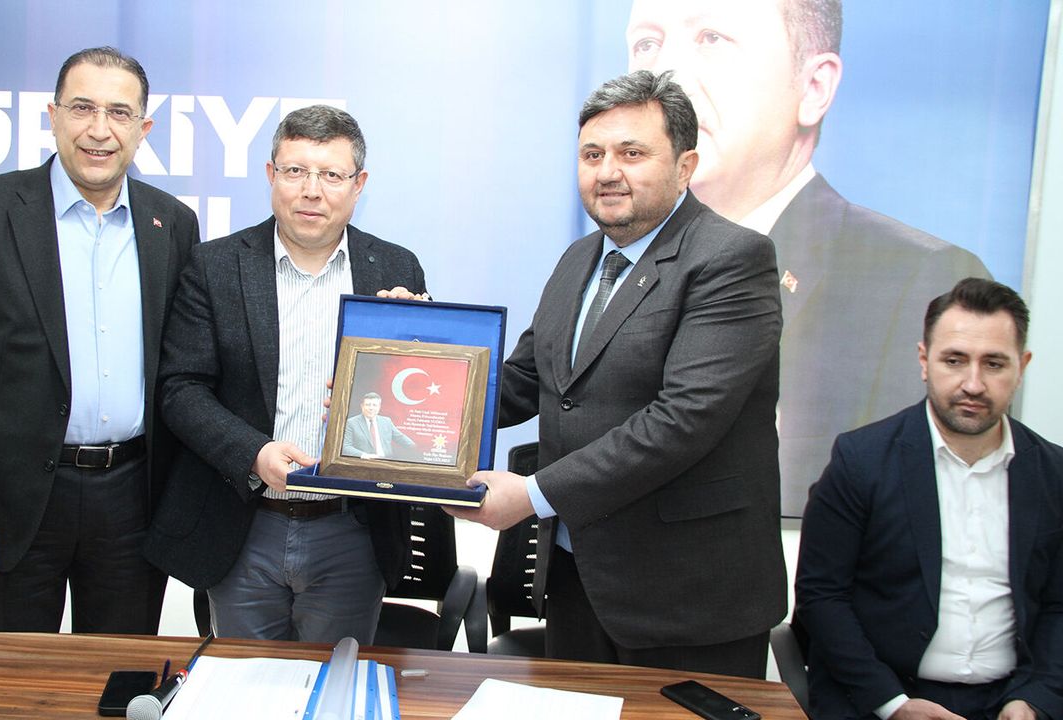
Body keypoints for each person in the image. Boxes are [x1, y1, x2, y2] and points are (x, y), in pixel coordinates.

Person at [449, 70, 786, 677]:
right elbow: (526, 380)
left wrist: (531, 495)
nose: (607, 172)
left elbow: (683, 420)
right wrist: (408, 397)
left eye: (632, 153)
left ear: (685, 166)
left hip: (689, 593)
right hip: (578, 575)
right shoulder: (578, 258)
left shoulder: (732, 258)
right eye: (592, 154)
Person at [624, 0, 990, 511]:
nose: (668, 75)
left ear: (814, 88)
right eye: (647, 44)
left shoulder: (921, 278)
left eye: (711, 38)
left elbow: (907, 506)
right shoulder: (616, 265)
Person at [0, 47, 200, 632]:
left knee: (118, 675)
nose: (99, 130)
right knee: (5, 678)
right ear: (53, 115)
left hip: (132, 504)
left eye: (119, 113)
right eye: (82, 108)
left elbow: (185, 368)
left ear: (143, 129)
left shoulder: (173, 223)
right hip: (8, 507)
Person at [143, 105, 427, 644]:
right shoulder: (214, 266)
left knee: (334, 680)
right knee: (247, 683)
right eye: (296, 171)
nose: (311, 191)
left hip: (351, 529)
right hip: (243, 521)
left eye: (332, 175)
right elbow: (181, 388)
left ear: (359, 184)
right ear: (271, 174)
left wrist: (419, 344)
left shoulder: (396, 269)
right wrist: (253, 453)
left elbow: (419, 394)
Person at [795, 277, 1063, 720]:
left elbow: (1058, 605)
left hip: (1011, 701)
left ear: (1022, 366)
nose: (973, 384)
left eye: (994, 363)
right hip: (886, 699)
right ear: (924, 360)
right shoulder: (860, 461)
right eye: (954, 360)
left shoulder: (1053, 474)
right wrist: (893, 705)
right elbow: (821, 595)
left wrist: (1035, 700)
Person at [342, 392, 415, 459]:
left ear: (379, 407)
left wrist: (417, 450)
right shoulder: (351, 423)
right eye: (368, 405)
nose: (371, 408)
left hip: (387, 461)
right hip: (364, 461)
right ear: (362, 406)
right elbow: (345, 446)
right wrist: (364, 455)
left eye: (374, 405)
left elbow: (401, 438)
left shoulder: (387, 421)